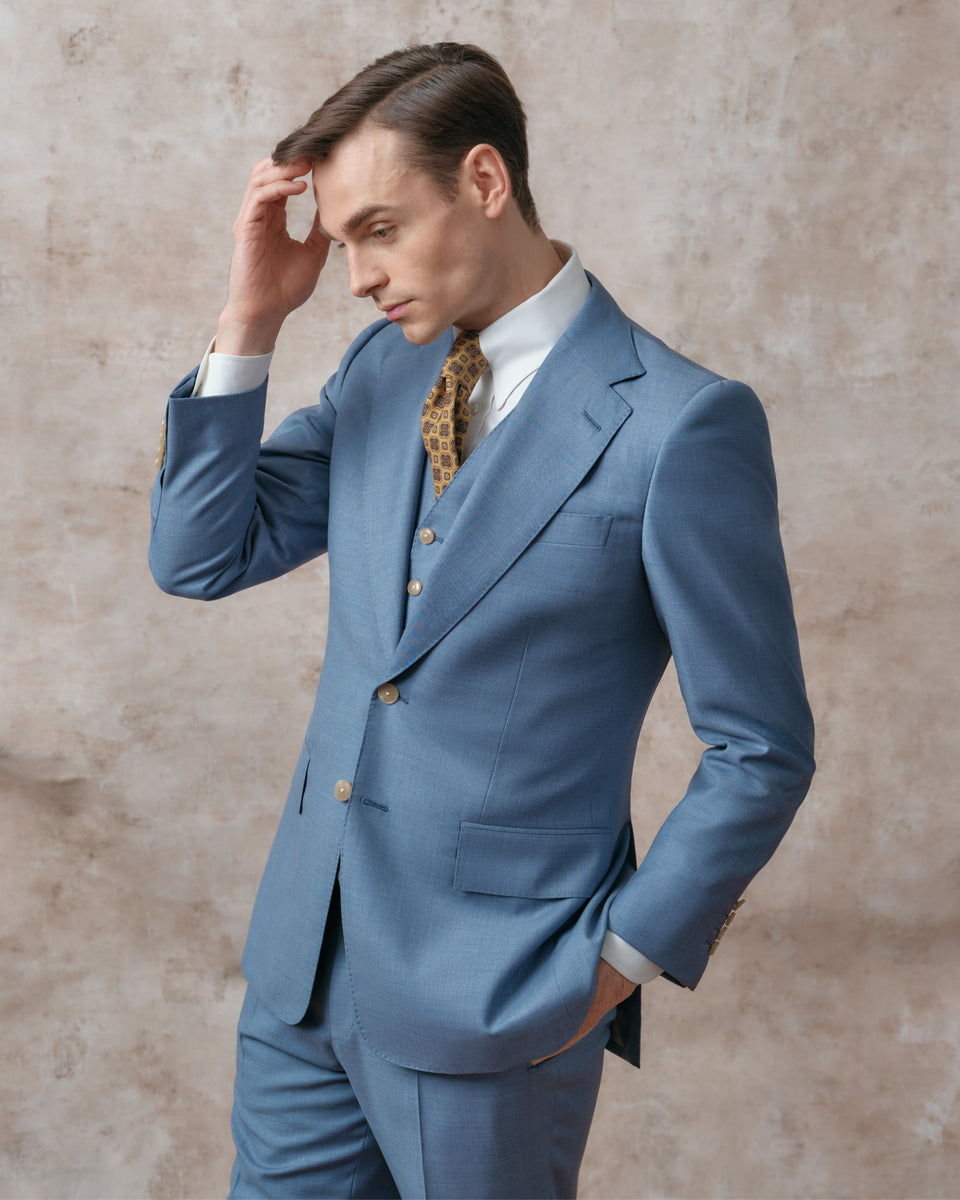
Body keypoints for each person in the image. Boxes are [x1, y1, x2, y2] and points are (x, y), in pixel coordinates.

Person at [149, 41, 815, 1200]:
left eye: (379, 229)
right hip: (304, 974)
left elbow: (761, 747)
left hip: (502, 1001)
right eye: (345, 243)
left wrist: (614, 965)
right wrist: (250, 316)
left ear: (486, 181)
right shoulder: (382, 370)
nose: (357, 277)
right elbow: (200, 555)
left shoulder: (679, 427)